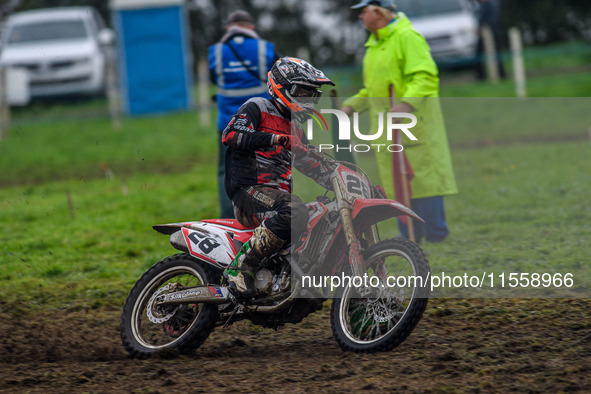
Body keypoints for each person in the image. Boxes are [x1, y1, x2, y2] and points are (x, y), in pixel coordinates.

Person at [343, 0, 458, 243]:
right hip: (386, 127)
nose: (360, 17)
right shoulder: (374, 45)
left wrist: (406, 104)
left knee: (423, 180)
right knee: (396, 180)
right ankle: (408, 235)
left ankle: (436, 233)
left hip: (414, 122)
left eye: (364, 11)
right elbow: (372, 90)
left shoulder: (407, 37)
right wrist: (352, 105)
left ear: (379, 12)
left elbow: (425, 76)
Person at [222, 57, 335, 296]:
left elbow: (312, 164)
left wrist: (346, 181)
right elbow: (230, 135)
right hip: (249, 190)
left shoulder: (296, 128)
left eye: (311, 95)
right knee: (295, 210)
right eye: (302, 92)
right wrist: (274, 139)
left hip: (277, 198)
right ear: (282, 86)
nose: (308, 100)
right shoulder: (258, 107)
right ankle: (240, 267)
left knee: (324, 216)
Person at [208, 10, 278, 218]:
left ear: (229, 28)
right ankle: (268, 216)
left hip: (227, 123)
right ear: (251, 27)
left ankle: (229, 217)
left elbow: (215, 79)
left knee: (226, 171)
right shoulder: (265, 48)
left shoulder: (216, 51)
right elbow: (278, 76)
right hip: (261, 121)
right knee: (267, 168)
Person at [475, 0, 506, 81]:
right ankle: (482, 75)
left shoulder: (491, 4)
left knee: (495, 53)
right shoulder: (483, 5)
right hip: (485, 32)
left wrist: (483, 29)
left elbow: (492, 19)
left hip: (491, 33)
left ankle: (499, 74)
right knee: (480, 54)